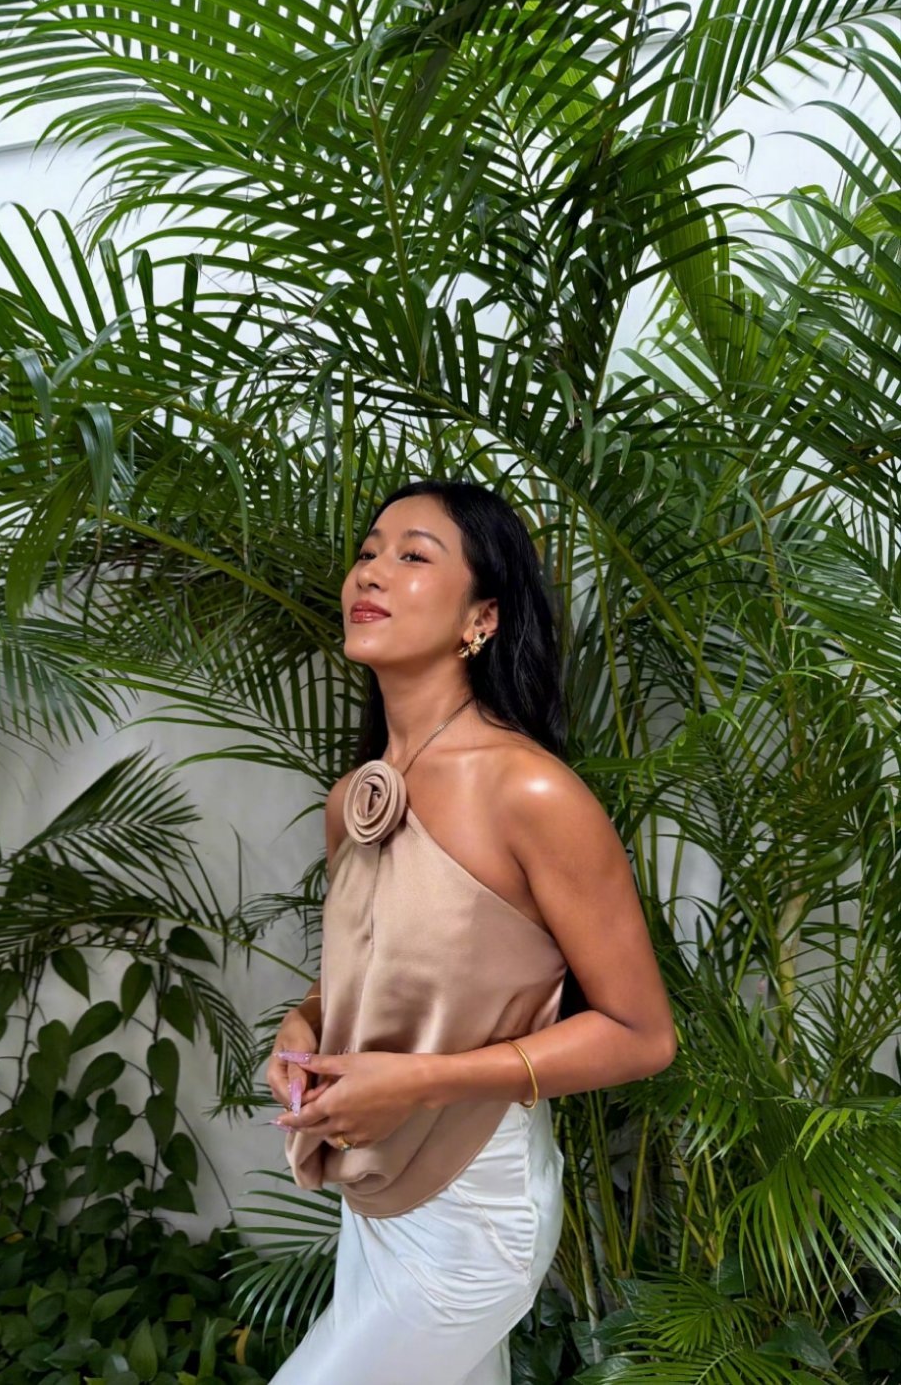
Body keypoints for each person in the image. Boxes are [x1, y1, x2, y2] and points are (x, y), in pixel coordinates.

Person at [264, 478, 677, 1384]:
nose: (372, 571)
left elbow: (642, 1035)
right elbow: (368, 969)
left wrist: (419, 1083)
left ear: (481, 619)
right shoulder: (355, 799)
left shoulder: (530, 792)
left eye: (414, 556)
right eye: (368, 551)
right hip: (374, 1198)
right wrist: (305, 1025)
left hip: (473, 1214)